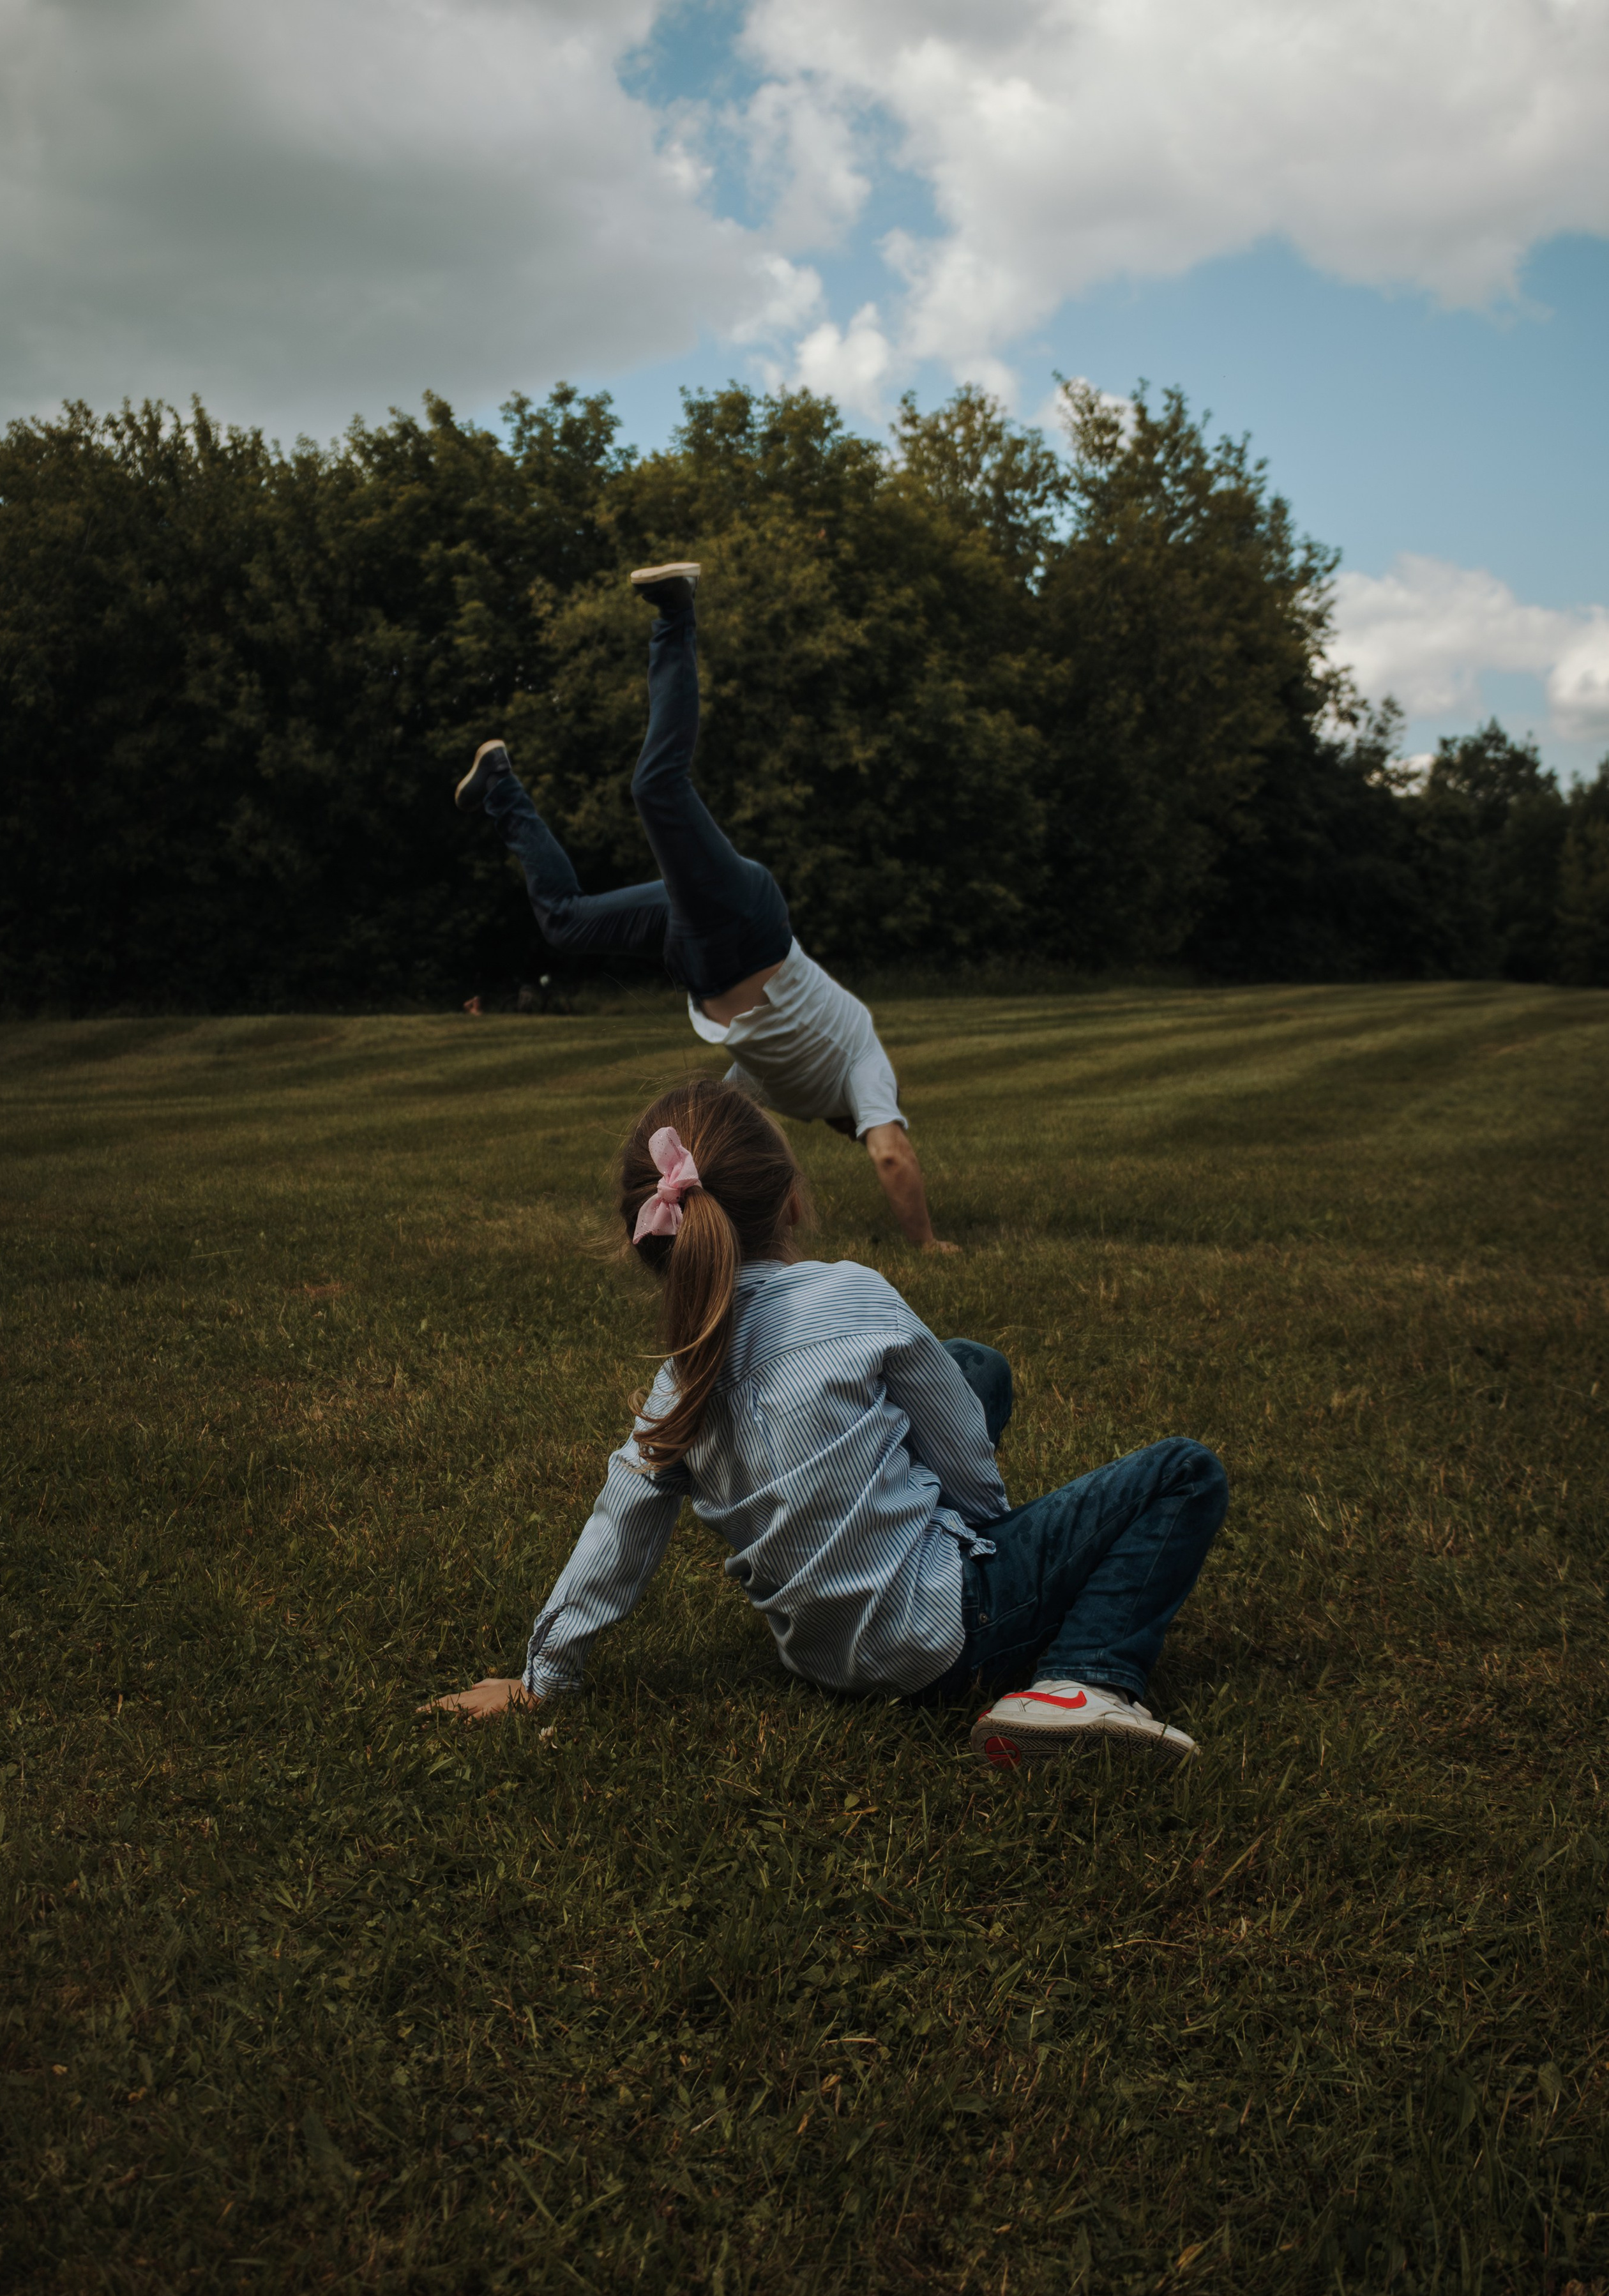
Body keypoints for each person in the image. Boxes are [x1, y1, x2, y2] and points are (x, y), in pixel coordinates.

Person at [425, 1077, 1228, 1768]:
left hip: (821, 1656)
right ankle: (1083, 1682)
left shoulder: (678, 1384)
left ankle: (972, 1605)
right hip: (947, 1635)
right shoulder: (853, 1297)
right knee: (1184, 1471)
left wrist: (543, 1679)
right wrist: (995, 1555)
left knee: (972, 1364)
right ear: (791, 1199)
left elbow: (616, 1535)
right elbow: (965, 1463)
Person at [453, 561, 956, 1252]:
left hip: (693, 953)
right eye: (870, 1124)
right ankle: (676, 613)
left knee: (565, 920)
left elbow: (726, 1112)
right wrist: (927, 1243)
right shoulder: (864, 1062)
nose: (864, 1131)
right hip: (745, 926)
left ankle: (501, 788)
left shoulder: (791, 1080)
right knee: (657, 787)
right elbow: (892, 1155)